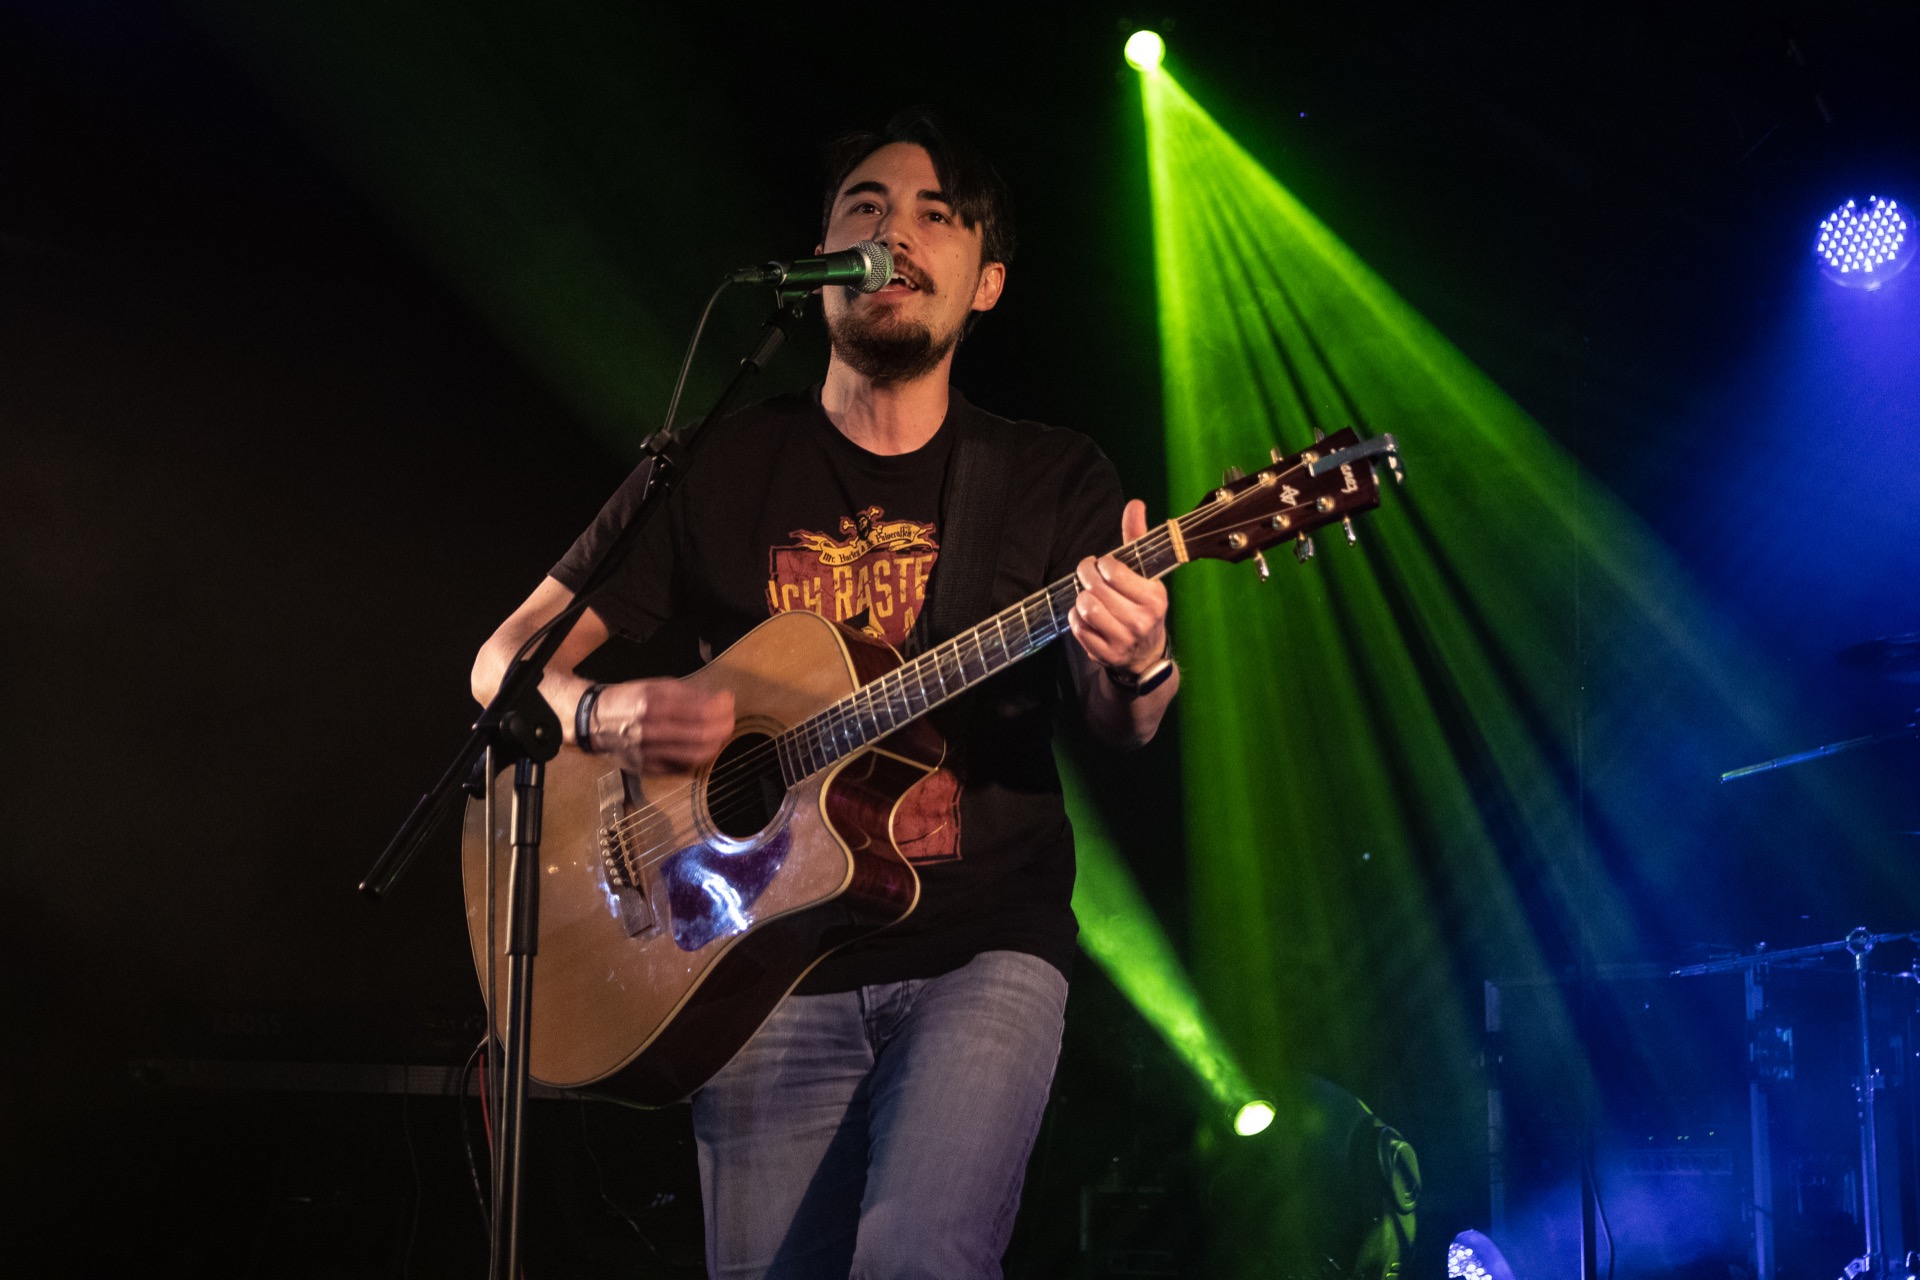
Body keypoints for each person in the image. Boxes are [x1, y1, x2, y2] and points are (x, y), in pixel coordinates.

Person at [471, 107, 1178, 1280]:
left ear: (987, 283)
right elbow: (503, 662)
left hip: (979, 944)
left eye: (936, 216)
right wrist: (608, 713)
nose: (895, 235)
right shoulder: (719, 462)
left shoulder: (1048, 477)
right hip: (757, 960)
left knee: (918, 1255)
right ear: (820, 261)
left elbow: (1126, 722)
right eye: (866, 208)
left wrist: (1137, 659)